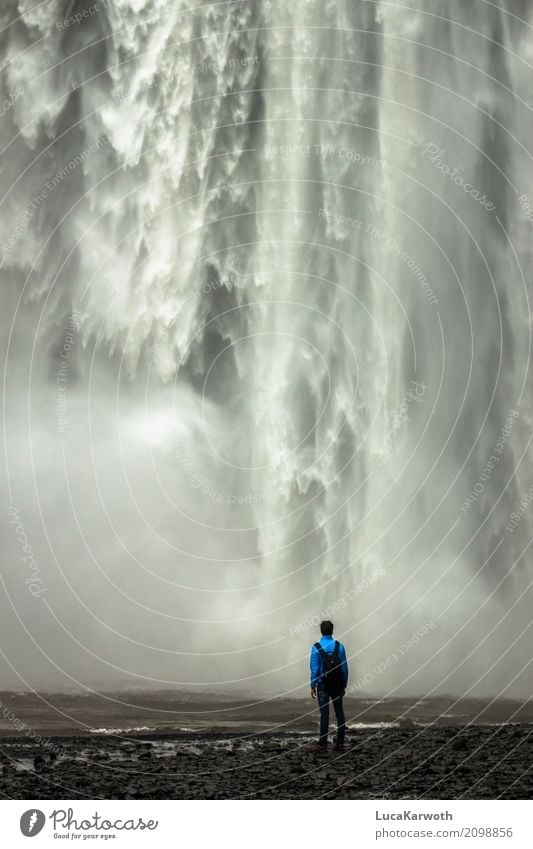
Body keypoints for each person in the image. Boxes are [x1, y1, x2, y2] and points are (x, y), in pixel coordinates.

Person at [309, 620, 348, 753]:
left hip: (322, 685)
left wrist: (313, 685)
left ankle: (323, 744)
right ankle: (340, 743)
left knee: (324, 714)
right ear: (332, 630)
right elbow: (344, 669)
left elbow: (314, 670)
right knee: (339, 713)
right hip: (337, 684)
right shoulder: (340, 646)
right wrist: (344, 685)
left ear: (321, 631)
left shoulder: (316, 647)